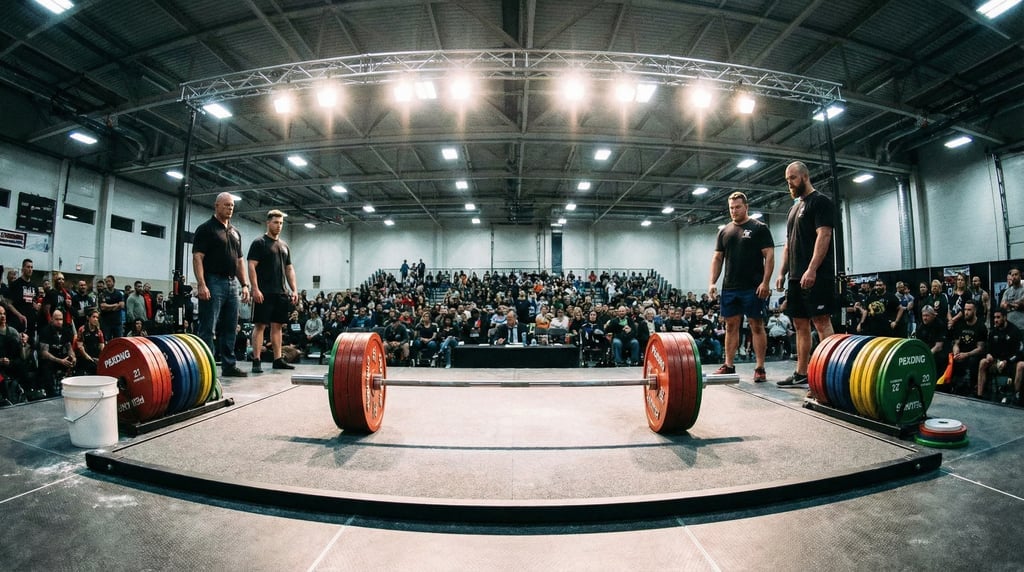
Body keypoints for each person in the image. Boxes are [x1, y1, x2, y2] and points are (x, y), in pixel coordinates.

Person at [775, 161, 835, 389]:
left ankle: (830, 374)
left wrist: (812, 269)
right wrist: (782, 272)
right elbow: (788, 245)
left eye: (793, 178)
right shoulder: (793, 209)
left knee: (821, 322)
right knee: (800, 324)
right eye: (787, 179)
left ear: (805, 176)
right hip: (795, 277)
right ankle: (801, 373)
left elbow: (824, 235)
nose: (789, 183)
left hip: (817, 275)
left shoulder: (820, 202)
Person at [708, 191, 774, 382]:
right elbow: (717, 258)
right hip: (730, 287)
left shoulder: (759, 228)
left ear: (746, 207)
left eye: (737, 207)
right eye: (731, 208)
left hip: (753, 287)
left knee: (756, 325)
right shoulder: (724, 231)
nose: (734, 211)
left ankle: (760, 367)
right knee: (730, 326)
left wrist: (766, 282)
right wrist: (712, 282)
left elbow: (769, 256)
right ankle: (728, 365)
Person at [193, 192, 251, 378]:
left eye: (232, 205)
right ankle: (205, 368)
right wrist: (201, 284)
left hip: (232, 283)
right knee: (208, 327)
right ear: (216, 206)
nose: (230, 208)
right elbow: (198, 257)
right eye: (226, 205)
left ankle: (229, 365)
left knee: (230, 327)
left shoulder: (235, 232)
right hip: (213, 281)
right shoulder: (206, 229)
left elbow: (240, 260)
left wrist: (244, 285)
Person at [247, 209, 298, 373]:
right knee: (260, 325)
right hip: (264, 292)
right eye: (276, 222)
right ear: (268, 223)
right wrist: (255, 288)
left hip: (280, 292)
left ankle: (277, 359)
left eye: (281, 223)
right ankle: (256, 360)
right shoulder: (259, 242)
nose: (279, 226)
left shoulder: (284, 246)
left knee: (278, 326)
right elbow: (251, 266)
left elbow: (289, 269)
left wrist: (294, 289)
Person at [976, 308, 1020, 399]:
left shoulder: (1014, 331)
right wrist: (988, 354)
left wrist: (1006, 361)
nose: (995, 320)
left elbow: (1019, 352)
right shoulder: (993, 332)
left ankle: (1015, 396)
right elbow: (988, 348)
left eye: (998, 317)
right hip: (997, 361)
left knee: (1022, 365)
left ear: (1005, 317)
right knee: (983, 362)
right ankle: (979, 395)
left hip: (1011, 361)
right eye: (994, 317)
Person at [949, 300, 987, 395]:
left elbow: (980, 348)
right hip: (961, 353)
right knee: (950, 357)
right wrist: (956, 351)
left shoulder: (981, 326)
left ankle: (972, 388)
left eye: (969, 310)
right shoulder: (960, 324)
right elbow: (956, 343)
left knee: (973, 361)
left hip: (973, 354)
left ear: (975, 311)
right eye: (965, 309)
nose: (966, 312)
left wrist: (966, 354)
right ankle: (950, 386)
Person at [37, 309, 76, 397]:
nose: (59, 322)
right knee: (46, 367)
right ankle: (51, 394)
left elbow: (69, 347)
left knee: (73, 362)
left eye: (61, 319)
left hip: (61, 357)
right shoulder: (45, 331)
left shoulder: (66, 331)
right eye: (57, 319)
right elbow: (44, 353)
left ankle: (72, 390)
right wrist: (60, 361)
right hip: (49, 359)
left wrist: (73, 357)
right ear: (52, 319)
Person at [75, 308, 105, 376]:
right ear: (88, 318)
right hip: (84, 358)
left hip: (95, 358)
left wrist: (101, 359)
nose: (95, 319)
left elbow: (102, 347)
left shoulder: (99, 332)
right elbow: (80, 347)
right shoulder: (82, 330)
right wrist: (88, 357)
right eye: (93, 317)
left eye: (97, 317)